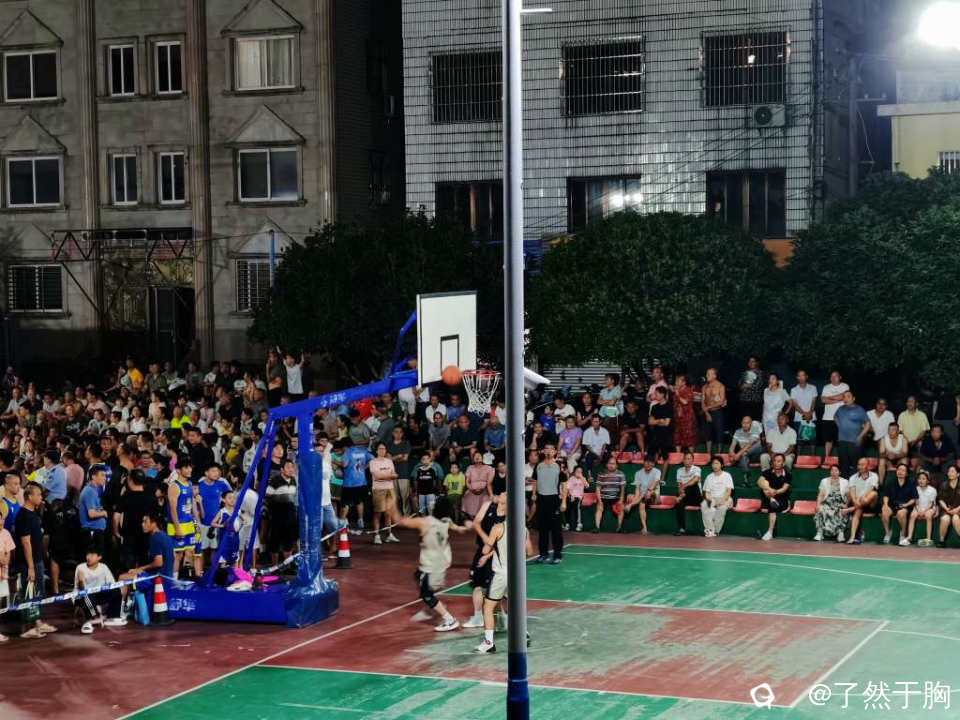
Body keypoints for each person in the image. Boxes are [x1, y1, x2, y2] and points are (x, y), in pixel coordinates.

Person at [391, 496, 472, 633]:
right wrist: (466, 526)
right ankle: (430, 610)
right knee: (418, 576)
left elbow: (399, 520)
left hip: (431, 565)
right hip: (442, 561)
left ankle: (449, 619)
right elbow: (459, 529)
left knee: (426, 595)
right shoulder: (447, 521)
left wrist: (392, 503)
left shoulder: (425, 522)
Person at [473, 488, 533, 654]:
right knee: (515, 605)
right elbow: (529, 552)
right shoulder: (523, 529)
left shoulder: (498, 528)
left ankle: (488, 643)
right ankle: (523, 634)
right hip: (517, 575)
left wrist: (488, 549)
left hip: (501, 574)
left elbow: (485, 549)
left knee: (488, 607)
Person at [463, 474, 506, 629]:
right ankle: (477, 617)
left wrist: (489, 552)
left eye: (505, 494)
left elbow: (505, 543)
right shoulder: (488, 505)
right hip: (482, 551)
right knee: (477, 585)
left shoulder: (509, 517)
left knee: (493, 590)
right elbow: (476, 522)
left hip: (497, 555)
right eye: (502, 493)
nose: (502, 495)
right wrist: (486, 539)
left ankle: (501, 617)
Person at [74, 547, 126, 633]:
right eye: (87, 554)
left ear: (99, 557)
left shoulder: (103, 567)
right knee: (86, 596)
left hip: (99, 594)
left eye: (92, 555)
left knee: (116, 590)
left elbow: (112, 584)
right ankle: (89, 621)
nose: (88, 557)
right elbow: (81, 590)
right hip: (83, 595)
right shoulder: (80, 567)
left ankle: (112, 617)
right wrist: (81, 581)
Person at [532, 444, 566, 563]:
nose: (548, 451)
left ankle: (557, 555)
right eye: (546, 448)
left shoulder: (559, 465)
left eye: (551, 449)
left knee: (556, 530)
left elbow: (564, 484)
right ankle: (543, 554)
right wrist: (534, 493)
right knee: (542, 529)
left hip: (554, 499)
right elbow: (535, 480)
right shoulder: (539, 465)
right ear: (543, 451)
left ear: (555, 452)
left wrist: (564, 502)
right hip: (541, 499)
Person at [166, 459, 198, 576]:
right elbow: (172, 509)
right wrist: (177, 528)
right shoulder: (174, 486)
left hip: (189, 523)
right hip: (177, 525)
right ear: (178, 470)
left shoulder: (189, 484)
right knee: (177, 555)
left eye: (190, 467)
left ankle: (186, 578)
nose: (190, 470)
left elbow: (192, 503)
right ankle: (174, 579)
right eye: (186, 467)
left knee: (190, 552)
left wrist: (196, 522)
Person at [368, 443, 399, 545]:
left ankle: (389, 534)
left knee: (388, 513)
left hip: (390, 489)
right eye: (380, 449)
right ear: (376, 451)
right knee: (378, 513)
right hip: (378, 489)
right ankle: (376, 535)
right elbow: (377, 477)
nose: (382, 450)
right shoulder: (373, 462)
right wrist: (389, 476)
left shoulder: (389, 461)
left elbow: (394, 474)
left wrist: (384, 476)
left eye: (384, 449)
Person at [880, 462, 917, 546]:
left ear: (906, 473)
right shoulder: (891, 481)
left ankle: (903, 534)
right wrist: (885, 505)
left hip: (905, 505)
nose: (900, 472)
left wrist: (906, 505)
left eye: (903, 470)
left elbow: (914, 499)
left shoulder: (911, 483)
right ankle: (888, 533)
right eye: (899, 469)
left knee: (901, 513)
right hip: (892, 504)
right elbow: (886, 495)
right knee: (884, 511)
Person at [834, 391, 870, 477]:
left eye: (848, 396)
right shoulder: (840, 409)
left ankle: (855, 483)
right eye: (844, 397)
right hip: (842, 440)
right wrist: (840, 426)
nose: (845, 399)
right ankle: (844, 483)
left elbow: (868, 424)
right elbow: (835, 417)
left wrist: (860, 436)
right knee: (843, 464)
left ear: (853, 398)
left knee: (856, 465)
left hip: (854, 441)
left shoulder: (859, 409)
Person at [758, 453, 792, 541]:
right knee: (765, 484)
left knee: (771, 506)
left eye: (779, 461)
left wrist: (775, 492)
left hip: (782, 499)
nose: (776, 463)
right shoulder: (767, 472)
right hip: (769, 497)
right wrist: (770, 490)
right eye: (775, 461)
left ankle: (770, 532)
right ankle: (771, 499)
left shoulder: (787, 474)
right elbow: (759, 482)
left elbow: (784, 489)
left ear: (783, 463)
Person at [340, 441, 372, 534]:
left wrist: (335, 461)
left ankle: (341, 523)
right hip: (361, 482)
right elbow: (372, 459)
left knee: (346, 503)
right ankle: (361, 520)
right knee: (360, 501)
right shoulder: (363, 451)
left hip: (349, 483)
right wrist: (364, 467)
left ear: (346, 446)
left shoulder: (348, 452)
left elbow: (344, 464)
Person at [847, 457, 880, 545]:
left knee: (874, 493)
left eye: (862, 464)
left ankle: (851, 509)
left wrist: (860, 499)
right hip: (858, 504)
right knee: (857, 512)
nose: (860, 467)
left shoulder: (874, 476)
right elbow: (852, 493)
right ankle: (852, 537)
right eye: (859, 465)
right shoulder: (853, 478)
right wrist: (855, 501)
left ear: (868, 465)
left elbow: (870, 490)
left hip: (871, 504)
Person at [814, 465, 850, 543]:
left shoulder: (845, 482)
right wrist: (818, 505)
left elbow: (848, 496)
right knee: (820, 509)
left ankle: (840, 533)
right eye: (832, 470)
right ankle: (820, 532)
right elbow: (821, 495)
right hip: (827, 502)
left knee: (842, 511)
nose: (834, 472)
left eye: (836, 470)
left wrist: (847, 505)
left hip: (839, 503)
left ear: (839, 472)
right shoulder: (824, 481)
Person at [626, 454, 661, 535]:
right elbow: (637, 490)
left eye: (650, 462)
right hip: (643, 497)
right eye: (646, 462)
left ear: (653, 464)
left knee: (649, 492)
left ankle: (630, 505)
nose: (648, 464)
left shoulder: (657, 471)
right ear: (643, 462)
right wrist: (635, 498)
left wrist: (648, 491)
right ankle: (644, 528)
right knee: (642, 503)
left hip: (654, 496)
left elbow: (654, 484)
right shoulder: (638, 473)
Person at [820, 371, 850, 461]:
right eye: (831, 376)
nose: (833, 378)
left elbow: (844, 396)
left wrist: (829, 397)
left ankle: (843, 459)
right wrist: (838, 399)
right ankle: (827, 459)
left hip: (842, 418)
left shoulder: (845, 386)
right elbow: (823, 400)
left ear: (840, 377)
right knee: (828, 440)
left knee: (841, 440)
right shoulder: (826, 387)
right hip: (827, 418)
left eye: (835, 376)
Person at [701, 456, 734, 538]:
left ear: (721, 465)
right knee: (704, 505)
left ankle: (716, 531)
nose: (714, 465)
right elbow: (707, 493)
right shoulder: (709, 477)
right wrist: (710, 501)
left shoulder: (727, 475)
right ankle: (710, 529)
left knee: (721, 508)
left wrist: (721, 501)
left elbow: (728, 492)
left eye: (717, 463)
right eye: (713, 463)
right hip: (713, 498)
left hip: (725, 498)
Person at [79, 465, 108, 555]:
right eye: (102, 475)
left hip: (95, 532)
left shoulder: (93, 490)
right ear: (93, 477)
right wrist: (104, 513)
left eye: (105, 475)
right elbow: (91, 514)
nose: (105, 478)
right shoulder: (89, 491)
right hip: (92, 532)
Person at [673, 451, 702, 536]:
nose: (687, 461)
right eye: (685, 459)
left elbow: (695, 480)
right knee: (679, 504)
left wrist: (683, 487)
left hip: (696, 497)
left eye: (689, 459)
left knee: (693, 485)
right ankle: (682, 528)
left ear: (693, 460)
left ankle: (681, 497)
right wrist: (681, 491)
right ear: (683, 460)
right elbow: (679, 485)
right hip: (685, 497)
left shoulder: (697, 469)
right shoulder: (679, 470)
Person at [593, 457, 626, 533]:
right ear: (606, 465)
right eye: (609, 463)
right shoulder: (601, 474)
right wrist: (599, 501)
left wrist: (621, 500)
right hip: (603, 496)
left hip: (615, 497)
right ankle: (597, 527)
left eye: (613, 464)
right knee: (599, 507)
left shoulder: (621, 474)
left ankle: (619, 528)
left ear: (616, 465)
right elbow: (598, 488)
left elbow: (622, 489)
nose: (611, 465)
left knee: (621, 508)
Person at [789, 370, 818, 451]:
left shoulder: (813, 388)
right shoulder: (793, 390)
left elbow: (814, 402)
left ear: (806, 376)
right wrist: (804, 414)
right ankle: (798, 457)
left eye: (803, 375)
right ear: (797, 377)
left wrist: (810, 413)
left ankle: (813, 457)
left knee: (812, 440)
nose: (801, 377)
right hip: (798, 418)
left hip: (812, 417)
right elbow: (795, 404)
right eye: (799, 376)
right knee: (799, 441)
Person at [701, 368, 727, 456]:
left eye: (709, 374)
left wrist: (708, 407)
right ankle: (708, 454)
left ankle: (719, 454)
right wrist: (706, 413)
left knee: (719, 432)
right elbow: (702, 401)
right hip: (707, 412)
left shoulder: (720, 386)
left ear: (714, 376)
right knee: (708, 433)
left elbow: (721, 401)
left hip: (717, 412)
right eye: (707, 374)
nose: (706, 376)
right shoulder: (704, 387)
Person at [908, 470, 938, 547]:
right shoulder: (915, 489)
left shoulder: (932, 490)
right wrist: (918, 511)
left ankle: (928, 538)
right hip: (918, 507)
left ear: (928, 481)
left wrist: (924, 511)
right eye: (919, 478)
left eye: (923, 479)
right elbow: (916, 502)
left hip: (929, 508)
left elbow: (931, 504)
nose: (921, 480)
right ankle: (909, 537)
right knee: (912, 515)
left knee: (928, 515)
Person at [729, 416, 762, 480]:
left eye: (747, 423)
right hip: (745, 456)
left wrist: (738, 454)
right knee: (743, 456)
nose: (745, 425)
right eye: (744, 423)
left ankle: (742, 455)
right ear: (741, 423)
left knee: (760, 443)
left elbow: (749, 444)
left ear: (751, 424)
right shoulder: (738, 432)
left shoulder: (754, 430)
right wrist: (732, 454)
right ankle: (746, 475)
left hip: (756, 455)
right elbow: (732, 446)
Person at [671, 375, 698, 452]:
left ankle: (691, 456)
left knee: (689, 438)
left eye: (678, 381)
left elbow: (685, 402)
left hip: (687, 418)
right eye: (676, 381)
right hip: (677, 418)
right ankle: (678, 455)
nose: (676, 383)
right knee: (677, 437)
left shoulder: (688, 390)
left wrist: (677, 394)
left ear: (684, 382)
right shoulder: (676, 391)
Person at [646, 386, 673, 462]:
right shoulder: (654, 407)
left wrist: (655, 421)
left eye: (656, 393)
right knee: (651, 454)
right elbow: (650, 422)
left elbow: (666, 423)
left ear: (662, 394)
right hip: (655, 433)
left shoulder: (669, 406)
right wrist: (659, 421)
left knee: (665, 456)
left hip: (665, 434)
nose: (655, 395)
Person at [936, 466, 960, 547]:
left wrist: (957, 509)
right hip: (947, 509)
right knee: (944, 519)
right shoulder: (944, 485)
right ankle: (941, 541)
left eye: (952, 471)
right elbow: (940, 499)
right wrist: (946, 508)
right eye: (949, 471)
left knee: (955, 518)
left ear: (958, 474)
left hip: (959, 509)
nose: (950, 473)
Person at [738, 357, 764, 424]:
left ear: (756, 363)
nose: (751, 363)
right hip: (744, 400)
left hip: (754, 401)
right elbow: (739, 384)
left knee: (754, 422)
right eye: (749, 361)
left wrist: (746, 386)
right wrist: (743, 386)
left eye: (753, 361)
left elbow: (757, 386)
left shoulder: (760, 373)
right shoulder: (745, 373)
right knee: (745, 421)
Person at [564, 465, 587, 532]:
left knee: (577, 508)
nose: (579, 473)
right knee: (568, 509)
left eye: (580, 472)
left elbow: (587, 486)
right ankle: (567, 524)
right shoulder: (571, 479)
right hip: (571, 496)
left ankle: (579, 524)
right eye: (577, 471)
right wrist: (571, 495)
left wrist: (582, 478)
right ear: (574, 472)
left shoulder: (583, 478)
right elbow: (568, 488)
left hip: (579, 497)